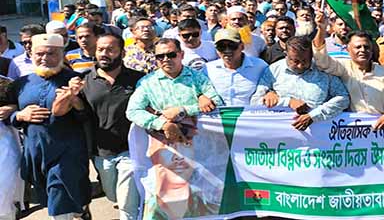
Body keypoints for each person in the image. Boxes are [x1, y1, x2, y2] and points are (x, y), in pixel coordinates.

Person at [6, 34, 91, 220]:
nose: (44, 58)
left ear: (61, 54)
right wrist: (20, 115)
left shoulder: (75, 80)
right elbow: (8, 113)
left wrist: (74, 100)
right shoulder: (22, 83)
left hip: (68, 152)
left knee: (59, 201)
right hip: (35, 152)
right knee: (54, 197)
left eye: (51, 53)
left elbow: (88, 116)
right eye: (40, 53)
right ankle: (80, 210)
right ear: (31, 53)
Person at [80, 34, 143, 220]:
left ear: (122, 53)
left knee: (126, 204)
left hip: (131, 150)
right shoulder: (84, 82)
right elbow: (80, 116)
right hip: (101, 153)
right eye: (100, 49)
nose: (104, 54)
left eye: (110, 50)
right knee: (113, 195)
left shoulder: (139, 80)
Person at [312, 13, 384, 129]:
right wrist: (321, 29)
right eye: (358, 47)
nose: (363, 50)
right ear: (348, 49)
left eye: (366, 47)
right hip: (351, 132)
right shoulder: (343, 68)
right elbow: (320, 59)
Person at [126, 38, 223, 140]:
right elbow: (133, 111)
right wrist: (162, 124)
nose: (166, 59)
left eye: (171, 55)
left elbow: (217, 103)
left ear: (182, 55)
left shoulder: (197, 77)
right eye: (160, 56)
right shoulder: (146, 83)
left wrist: (184, 110)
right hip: (165, 146)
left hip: (200, 141)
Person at [251, 36, 349, 131]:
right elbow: (255, 102)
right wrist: (286, 102)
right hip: (279, 135)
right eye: (295, 61)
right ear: (286, 54)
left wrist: (314, 116)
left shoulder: (323, 70)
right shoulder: (273, 71)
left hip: (318, 136)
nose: (300, 65)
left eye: (305, 60)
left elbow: (343, 98)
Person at [205, 29, 268, 107]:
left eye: (232, 46)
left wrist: (271, 92)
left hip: (250, 117)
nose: (227, 50)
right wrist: (201, 96)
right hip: (218, 117)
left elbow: (272, 85)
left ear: (242, 46)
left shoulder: (260, 66)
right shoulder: (207, 69)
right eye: (221, 47)